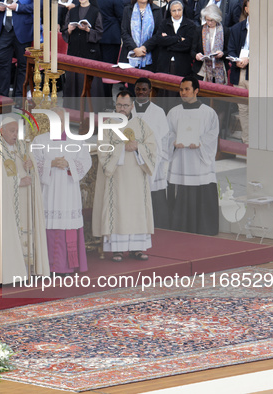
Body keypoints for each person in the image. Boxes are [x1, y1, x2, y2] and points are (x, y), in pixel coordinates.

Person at [0, 116, 50, 285]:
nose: (16, 134)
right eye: (12, 131)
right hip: (2, 203)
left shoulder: (22, 146)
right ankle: (7, 271)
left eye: (17, 131)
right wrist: (18, 181)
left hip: (23, 199)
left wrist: (30, 166)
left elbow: (30, 167)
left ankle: (25, 267)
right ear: (2, 131)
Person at [92, 91, 157, 262]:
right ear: (115, 105)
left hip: (137, 176)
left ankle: (137, 248)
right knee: (118, 210)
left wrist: (138, 148)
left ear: (132, 106)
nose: (122, 108)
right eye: (119, 105)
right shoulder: (108, 125)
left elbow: (152, 147)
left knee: (136, 211)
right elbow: (103, 148)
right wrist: (122, 148)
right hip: (117, 178)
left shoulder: (142, 125)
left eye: (126, 105)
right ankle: (117, 250)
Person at [31, 108, 92, 275]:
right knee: (48, 224)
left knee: (67, 224)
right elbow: (31, 163)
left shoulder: (77, 141)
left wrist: (68, 164)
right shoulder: (39, 140)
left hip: (68, 193)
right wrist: (50, 163)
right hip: (49, 192)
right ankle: (46, 266)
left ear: (65, 121)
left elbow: (86, 162)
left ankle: (67, 266)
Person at [167, 76, 219, 235]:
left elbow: (213, 134)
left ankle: (203, 228)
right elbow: (166, 134)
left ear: (196, 90)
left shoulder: (208, 113)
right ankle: (181, 228)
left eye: (187, 89)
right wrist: (173, 142)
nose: (183, 92)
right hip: (181, 160)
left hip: (200, 161)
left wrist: (200, 142)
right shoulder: (173, 113)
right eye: (181, 89)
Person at [132, 77, 171, 229]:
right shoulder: (129, 109)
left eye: (144, 89)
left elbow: (164, 137)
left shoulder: (158, 112)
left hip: (153, 159)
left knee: (154, 191)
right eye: (138, 89)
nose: (140, 92)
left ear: (149, 91)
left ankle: (158, 225)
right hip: (132, 159)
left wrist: (155, 155)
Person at [62, 0, 104, 109]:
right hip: (74, 49)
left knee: (89, 81)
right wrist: (69, 30)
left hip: (89, 51)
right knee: (73, 79)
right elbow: (65, 31)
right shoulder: (72, 11)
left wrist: (88, 29)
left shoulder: (96, 11)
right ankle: (72, 110)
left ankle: (90, 110)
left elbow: (99, 33)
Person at [0, 0, 34, 98]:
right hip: (5, 30)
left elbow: (38, 6)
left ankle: (19, 96)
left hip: (23, 29)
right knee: (1, 61)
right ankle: (3, 96)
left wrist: (18, 7)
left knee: (23, 64)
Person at [155, 0, 195, 77]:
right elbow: (159, 40)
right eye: (174, 10)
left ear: (183, 10)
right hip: (164, 63)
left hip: (182, 65)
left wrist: (168, 44)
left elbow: (187, 45)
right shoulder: (164, 23)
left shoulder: (190, 25)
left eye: (179, 10)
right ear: (170, 11)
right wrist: (179, 39)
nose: (177, 13)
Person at [227, 0, 248, 143]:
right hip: (239, 71)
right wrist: (237, 60)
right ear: (246, 9)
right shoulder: (236, 28)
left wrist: (249, 59)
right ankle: (247, 141)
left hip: (256, 74)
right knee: (243, 109)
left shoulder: (266, 29)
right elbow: (231, 49)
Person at [119, 0, 162, 70]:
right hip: (130, 54)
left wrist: (144, 47)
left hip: (150, 55)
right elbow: (124, 32)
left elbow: (158, 33)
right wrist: (135, 49)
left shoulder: (157, 10)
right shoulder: (127, 9)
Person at [191, 3, 228, 85]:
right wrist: (196, 55)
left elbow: (228, 50)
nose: (209, 22)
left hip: (219, 70)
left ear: (217, 18)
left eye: (212, 20)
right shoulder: (199, 30)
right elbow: (192, 51)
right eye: (207, 20)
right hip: (202, 70)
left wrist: (222, 53)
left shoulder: (225, 31)